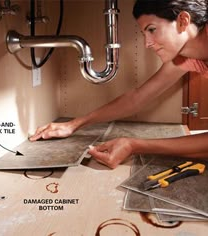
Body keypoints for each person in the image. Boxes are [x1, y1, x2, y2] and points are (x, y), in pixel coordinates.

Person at [30, 0, 208, 169]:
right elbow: (137, 98)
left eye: (152, 29)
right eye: (144, 34)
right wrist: (74, 124)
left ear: (183, 21)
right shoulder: (184, 57)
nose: (147, 43)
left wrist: (134, 145)